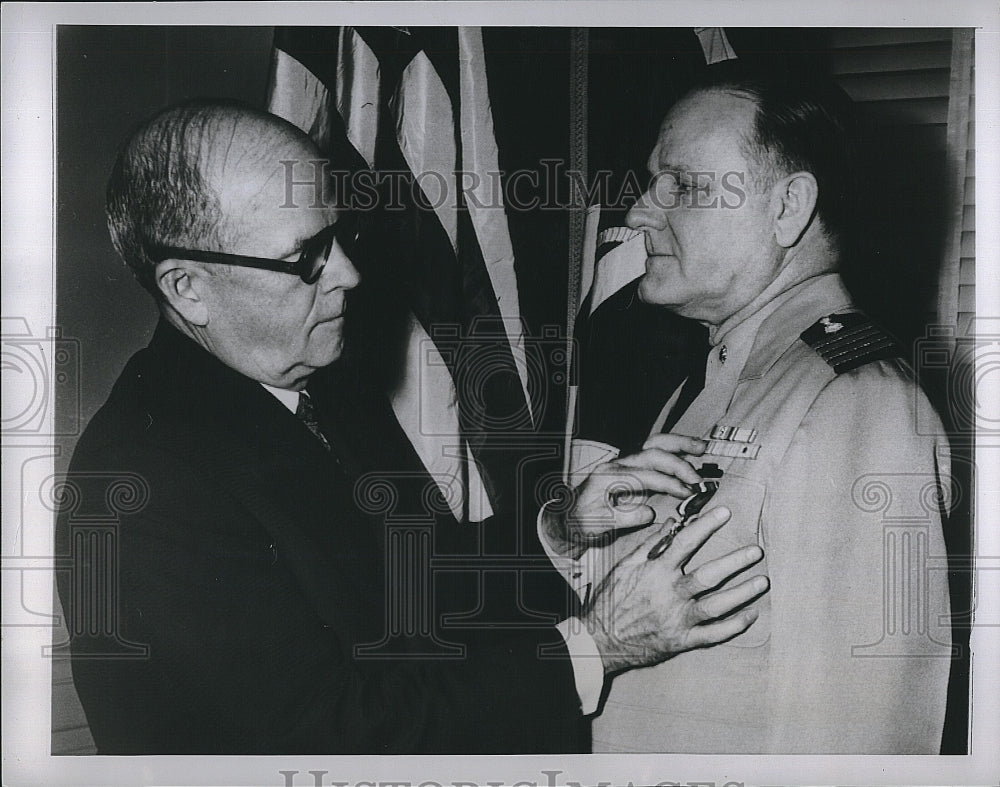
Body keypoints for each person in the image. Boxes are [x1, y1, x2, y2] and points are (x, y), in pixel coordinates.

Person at [55, 100, 769, 754]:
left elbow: (421, 578)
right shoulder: (142, 484)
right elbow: (331, 739)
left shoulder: (316, 383)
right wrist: (598, 644)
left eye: (338, 236)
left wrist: (560, 530)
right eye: (306, 258)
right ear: (188, 288)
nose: (349, 274)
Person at [542, 64, 953, 753]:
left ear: (787, 207)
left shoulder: (857, 402)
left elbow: (858, 741)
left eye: (683, 185)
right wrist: (575, 528)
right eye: (652, 182)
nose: (640, 211)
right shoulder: (714, 380)